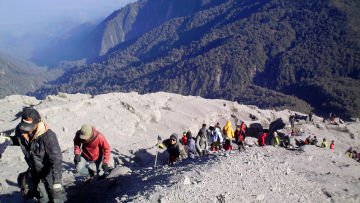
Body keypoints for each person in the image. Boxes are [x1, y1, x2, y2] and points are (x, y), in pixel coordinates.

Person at [12, 107, 66, 202]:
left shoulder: (48, 136)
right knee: (42, 198)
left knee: (57, 197)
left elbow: (56, 159)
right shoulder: (21, 130)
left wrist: (57, 182)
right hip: (34, 170)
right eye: (25, 127)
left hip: (49, 172)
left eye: (30, 127)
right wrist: (9, 140)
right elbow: (21, 141)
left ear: (37, 123)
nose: (27, 130)